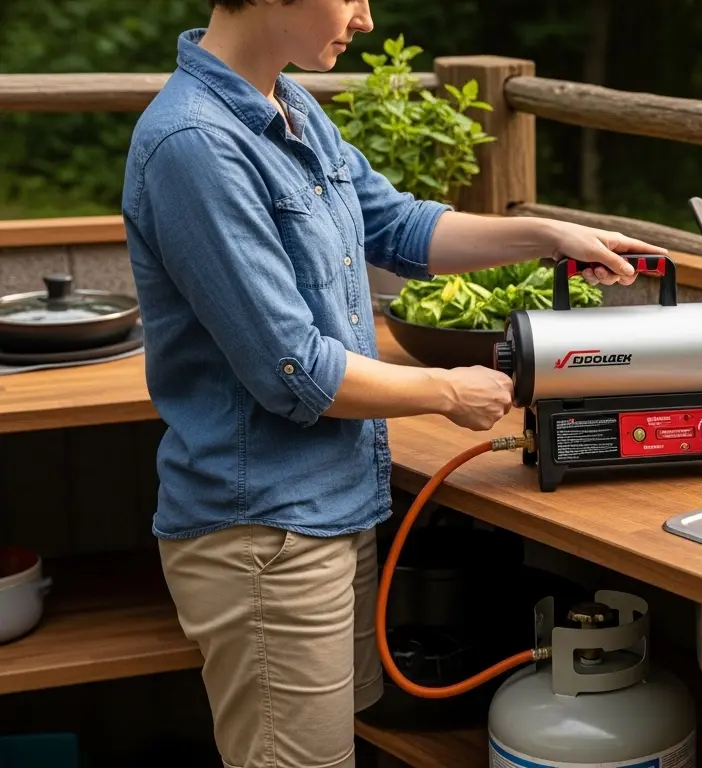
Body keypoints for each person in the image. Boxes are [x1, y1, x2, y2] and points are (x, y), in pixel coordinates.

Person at [120, 1, 665, 765]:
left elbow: (402, 229)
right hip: (266, 539)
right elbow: (295, 370)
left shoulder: (292, 105)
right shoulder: (194, 145)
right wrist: (449, 391)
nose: (367, 18)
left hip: (335, 508)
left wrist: (548, 234)